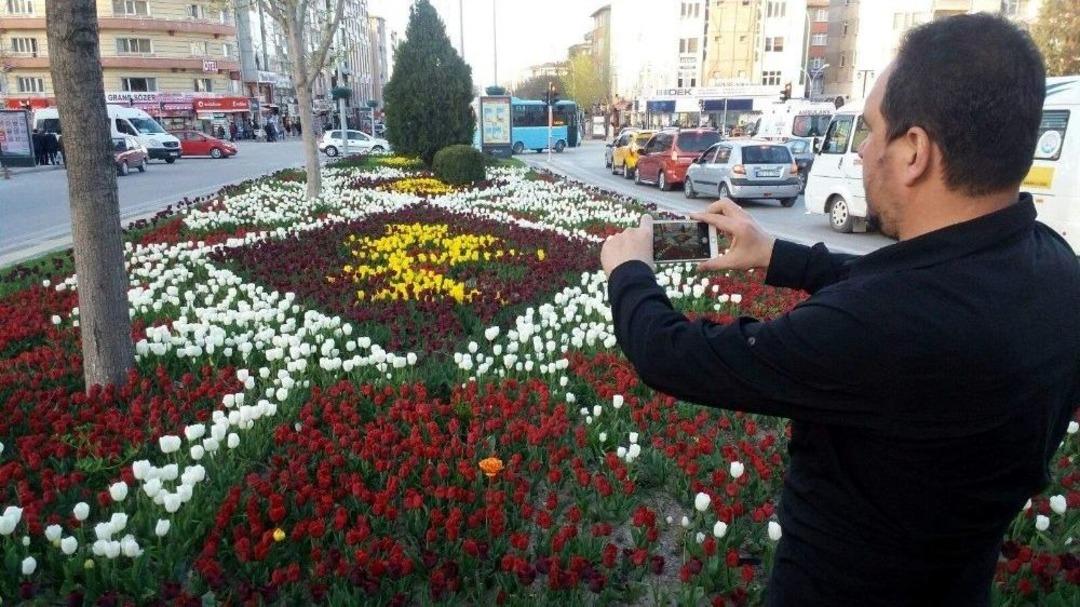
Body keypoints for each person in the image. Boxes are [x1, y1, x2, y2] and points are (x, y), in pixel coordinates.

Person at [600, 14, 1079, 607]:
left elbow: (671, 356)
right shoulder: (1056, 273)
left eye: (872, 131)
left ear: (914, 151)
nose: (863, 152)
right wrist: (778, 255)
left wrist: (629, 271)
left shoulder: (877, 328)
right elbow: (919, 285)